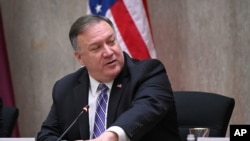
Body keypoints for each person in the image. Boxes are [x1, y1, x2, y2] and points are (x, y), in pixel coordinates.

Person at [37, 14, 181, 141]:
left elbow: (145, 110)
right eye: (96, 48)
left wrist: (110, 137)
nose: (108, 52)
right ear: (80, 58)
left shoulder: (149, 73)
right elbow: (46, 135)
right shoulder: (65, 87)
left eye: (111, 41)